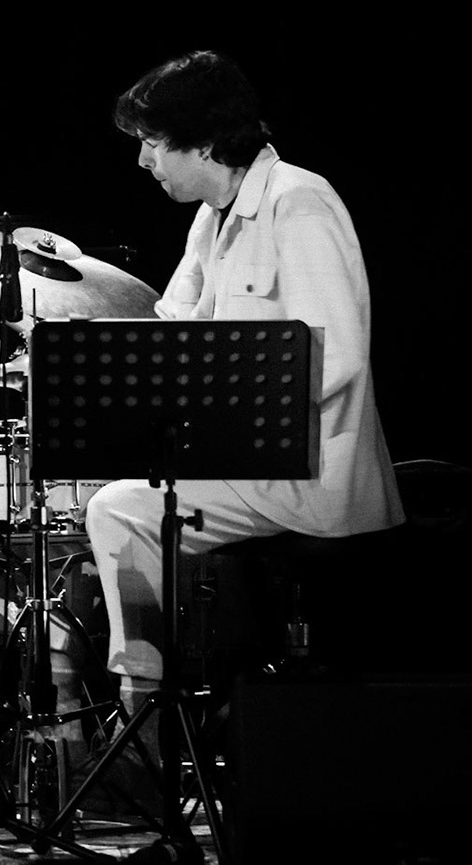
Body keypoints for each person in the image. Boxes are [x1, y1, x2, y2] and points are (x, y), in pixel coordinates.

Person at [83, 51, 402, 766]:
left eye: (154, 144)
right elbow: (174, 330)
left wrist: (218, 414)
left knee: (118, 511)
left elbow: (340, 356)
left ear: (203, 142)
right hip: (248, 467)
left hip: (307, 476)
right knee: (99, 499)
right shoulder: (213, 218)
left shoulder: (299, 201)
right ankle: (137, 720)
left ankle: (143, 735)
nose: (142, 161)